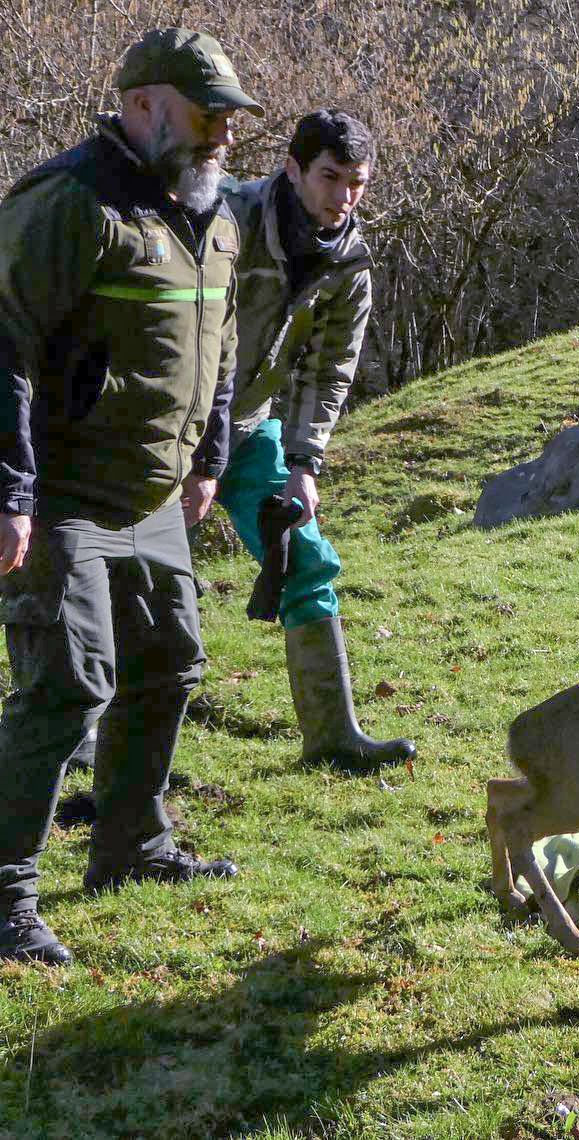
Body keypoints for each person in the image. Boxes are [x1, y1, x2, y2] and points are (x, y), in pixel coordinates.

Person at [0, 27, 262, 966]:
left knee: (171, 663)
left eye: (233, 119)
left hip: (154, 493)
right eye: (208, 116)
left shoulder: (213, 215)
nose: (225, 137)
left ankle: (131, 847)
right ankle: (5, 897)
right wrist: (10, 488)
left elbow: (220, 348)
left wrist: (208, 460)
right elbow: (5, 341)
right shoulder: (70, 203)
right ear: (145, 104)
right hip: (61, 493)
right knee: (67, 685)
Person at [218, 109, 415, 771]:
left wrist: (303, 464)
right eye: (330, 177)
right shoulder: (222, 221)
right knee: (125, 584)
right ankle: (87, 755)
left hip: (248, 430)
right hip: (160, 431)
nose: (344, 197)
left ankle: (333, 741)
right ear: (292, 168)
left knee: (305, 560)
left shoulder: (351, 262)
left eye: (358, 182)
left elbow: (329, 368)